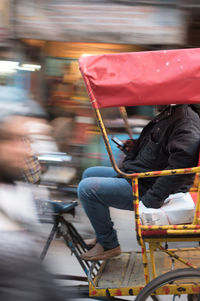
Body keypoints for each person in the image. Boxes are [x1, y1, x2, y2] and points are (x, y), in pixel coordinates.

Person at [78, 104, 200, 261]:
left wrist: (153, 198)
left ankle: (108, 244)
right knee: (89, 173)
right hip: (139, 175)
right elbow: (160, 146)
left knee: (87, 189)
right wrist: (136, 146)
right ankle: (103, 235)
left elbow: (183, 163)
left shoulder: (185, 119)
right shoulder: (169, 113)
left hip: (148, 186)